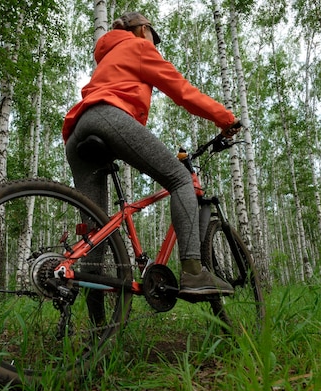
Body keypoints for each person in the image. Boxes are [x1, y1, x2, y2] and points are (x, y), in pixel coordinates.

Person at [63, 11, 240, 296]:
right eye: (153, 36)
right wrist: (226, 119)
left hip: (76, 131)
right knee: (181, 179)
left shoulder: (108, 55)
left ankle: (97, 327)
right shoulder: (140, 47)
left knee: (96, 228)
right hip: (109, 116)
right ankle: (194, 272)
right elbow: (183, 92)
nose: (154, 43)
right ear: (144, 29)